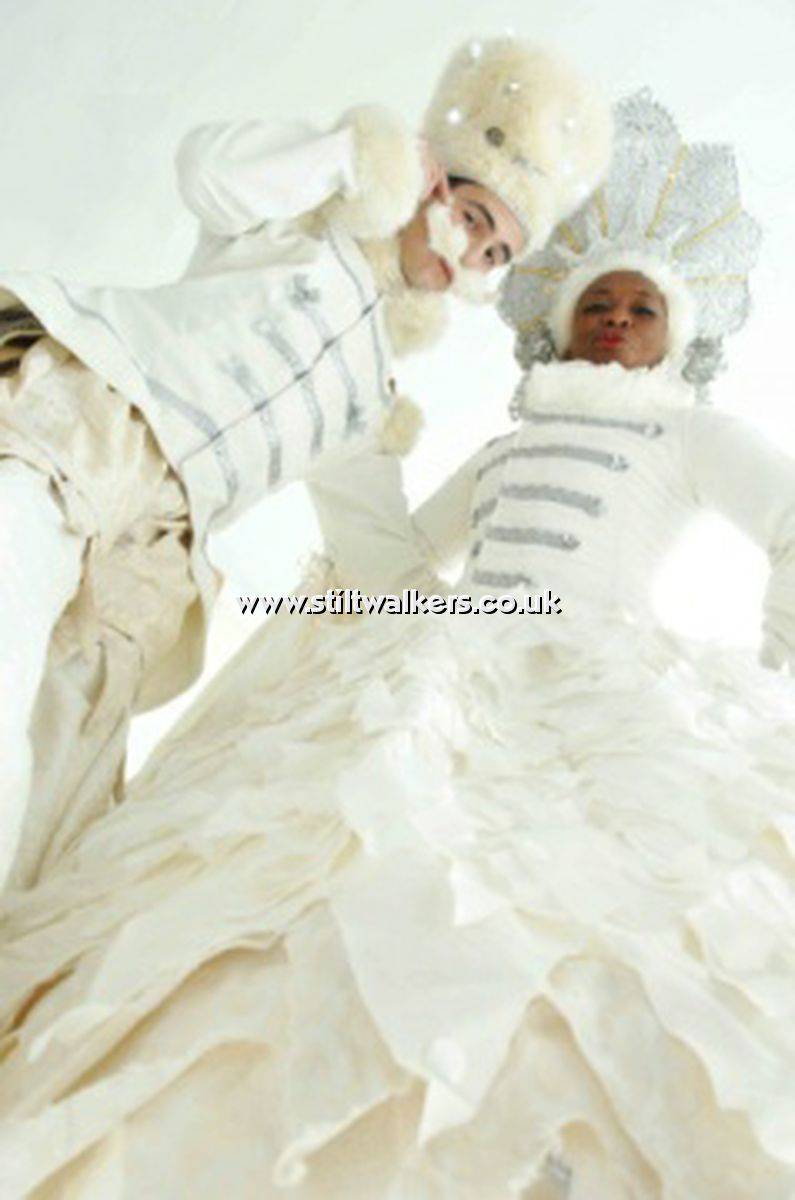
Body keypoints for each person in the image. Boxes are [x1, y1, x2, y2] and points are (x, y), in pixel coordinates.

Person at [2, 90, 793, 1198]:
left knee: (599, 897)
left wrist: (773, 662)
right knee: (366, 846)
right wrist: (358, 453)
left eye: (641, 306)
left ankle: (553, 1138)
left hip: (603, 679)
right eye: (597, 301)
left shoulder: (689, 431)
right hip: (458, 654)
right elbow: (400, 556)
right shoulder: (509, 447)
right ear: (559, 320)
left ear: (677, 333)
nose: (616, 318)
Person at [0, 38, 612, 890]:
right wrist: (357, 159)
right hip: (83, 432)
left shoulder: (368, 402)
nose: (470, 258)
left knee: (47, 823)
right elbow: (205, 170)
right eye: (474, 220)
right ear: (432, 181)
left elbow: (378, 557)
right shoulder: (304, 222)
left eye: (495, 255)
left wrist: (495, 633)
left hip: (146, 564)